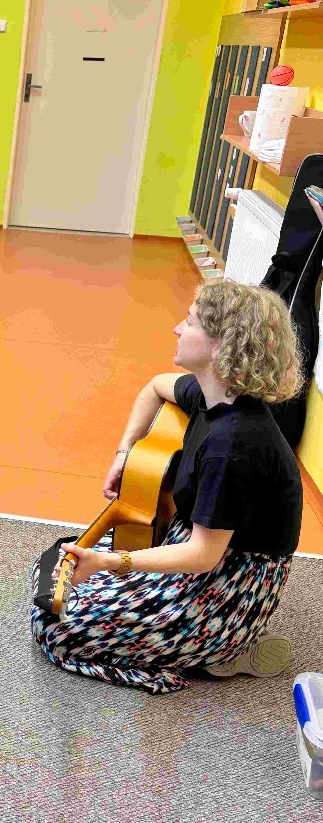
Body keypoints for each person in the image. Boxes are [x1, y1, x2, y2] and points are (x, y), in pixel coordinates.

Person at [30, 280, 304, 695]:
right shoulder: (215, 395)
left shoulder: (233, 445)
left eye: (189, 322)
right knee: (50, 568)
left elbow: (204, 555)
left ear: (222, 345)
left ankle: (227, 648)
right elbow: (155, 386)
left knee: (58, 628)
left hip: (227, 583)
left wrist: (111, 562)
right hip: (197, 548)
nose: (177, 328)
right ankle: (192, 642)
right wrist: (125, 454)